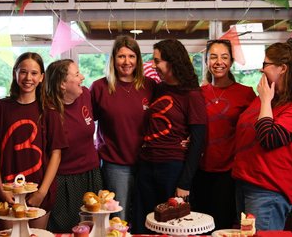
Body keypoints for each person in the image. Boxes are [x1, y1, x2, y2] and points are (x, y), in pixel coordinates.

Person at [232, 38, 292, 231]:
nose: (262, 69)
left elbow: (269, 139)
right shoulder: (270, 96)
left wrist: (265, 101)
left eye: (266, 64)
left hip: (268, 190)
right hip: (245, 183)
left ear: (282, 68)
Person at [133, 39, 207, 234]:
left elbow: (198, 141)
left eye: (157, 61)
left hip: (173, 168)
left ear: (172, 62)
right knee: (144, 223)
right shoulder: (159, 88)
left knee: (172, 226)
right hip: (147, 164)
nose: (154, 65)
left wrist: (185, 183)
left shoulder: (192, 95)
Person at [0, 52, 67, 229]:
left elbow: (56, 154)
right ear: (15, 73)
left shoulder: (49, 111)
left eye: (34, 73)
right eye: (23, 72)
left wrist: (42, 192)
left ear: (41, 77)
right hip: (7, 192)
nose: (28, 78)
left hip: (39, 191)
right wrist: (0, 188)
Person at [191, 39, 256, 230]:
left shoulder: (246, 94)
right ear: (206, 62)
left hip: (229, 174)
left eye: (224, 57)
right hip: (199, 171)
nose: (219, 62)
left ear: (231, 62)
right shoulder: (197, 93)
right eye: (213, 57)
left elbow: (254, 131)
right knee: (198, 226)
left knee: (223, 227)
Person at [90, 35, 156, 223]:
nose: (126, 62)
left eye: (131, 56)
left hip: (147, 163)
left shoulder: (150, 86)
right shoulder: (100, 87)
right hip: (115, 164)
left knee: (147, 216)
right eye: (121, 56)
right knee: (120, 217)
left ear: (138, 60)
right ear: (113, 59)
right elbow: (84, 123)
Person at [45, 59, 103, 233]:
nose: (83, 77)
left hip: (91, 175)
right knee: (66, 229)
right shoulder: (48, 110)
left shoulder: (85, 94)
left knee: (94, 228)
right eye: (77, 74)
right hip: (64, 180)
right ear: (62, 83)